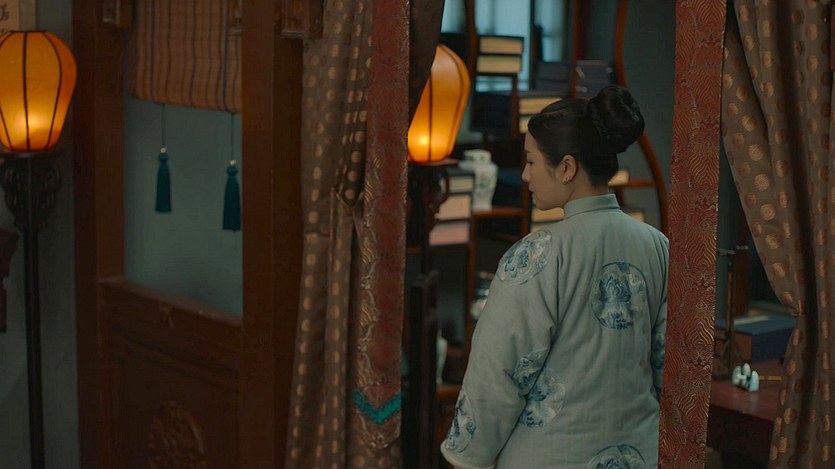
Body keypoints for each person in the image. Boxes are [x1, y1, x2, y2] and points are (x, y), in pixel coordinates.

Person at [440, 85, 668, 469]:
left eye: (531, 161)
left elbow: (496, 378)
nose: (525, 175)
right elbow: (666, 366)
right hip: (639, 456)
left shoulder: (536, 255)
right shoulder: (658, 246)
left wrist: (465, 459)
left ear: (567, 168)